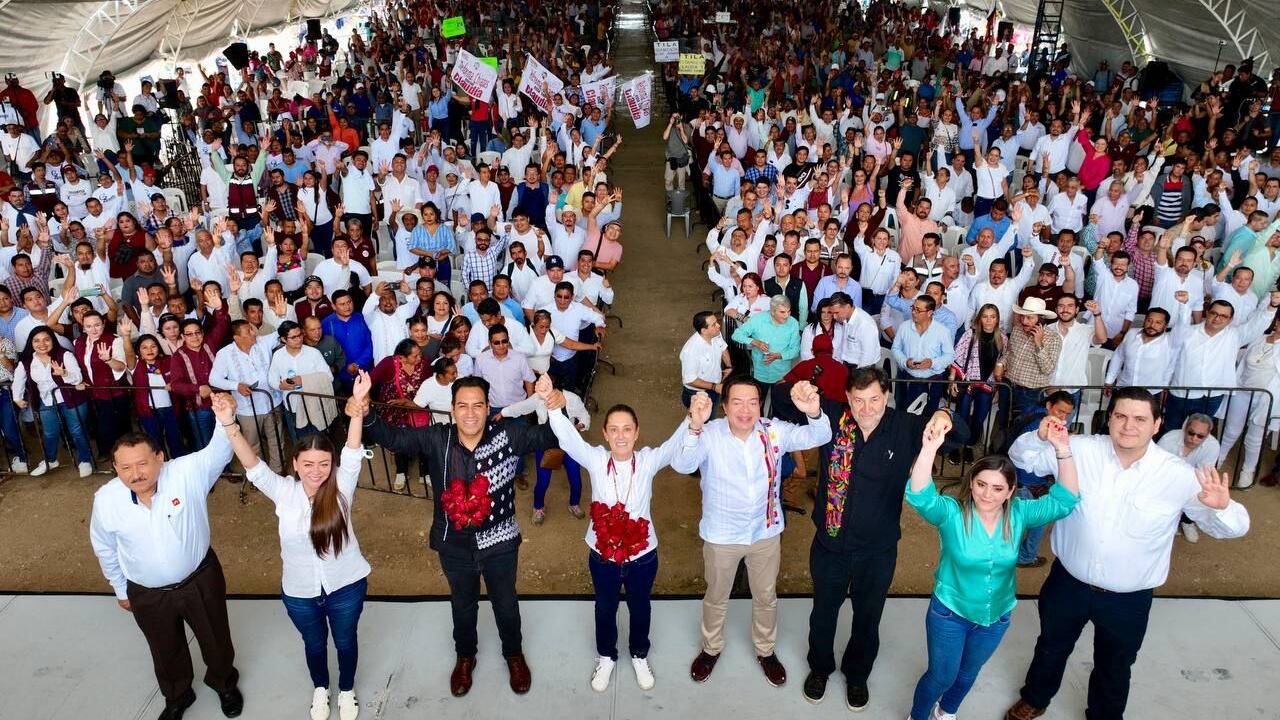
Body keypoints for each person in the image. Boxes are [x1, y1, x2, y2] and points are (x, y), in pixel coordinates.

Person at [1004, 388, 1250, 720]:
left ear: (1157, 424)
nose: (1128, 426)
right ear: (1109, 419)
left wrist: (1221, 508)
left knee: (1115, 664)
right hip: (1068, 583)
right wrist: (1038, 436)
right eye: (1120, 416)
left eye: (1139, 419)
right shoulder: (1080, 450)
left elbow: (1233, 528)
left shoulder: (1178, 475)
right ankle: (1035, 698)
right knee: (1050, 646)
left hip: (1129, 599)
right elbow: (1022, 458)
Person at [356, 375, 560, 697]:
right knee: (463, 605)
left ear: (488, 407)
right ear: (452, 409)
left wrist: (557, 406)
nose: (470, 413)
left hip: (500, 543)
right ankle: (465, 656)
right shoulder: (438, 438)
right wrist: (366, 412)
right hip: (454, 545)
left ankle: (513, 654)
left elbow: (550, 435)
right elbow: (395, 438)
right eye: (462, 406)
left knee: (506, 603)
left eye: (477, 405)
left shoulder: (509, 434)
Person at [800, 366, 963, 710]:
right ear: (847, 398)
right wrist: (802, 393)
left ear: (886, 396)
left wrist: (943, 415)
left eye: (874, 399)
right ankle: (819, 668)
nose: (867, 408)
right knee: (823, 613)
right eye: (858, 400)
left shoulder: (905, 427)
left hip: (877, 550)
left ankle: (857, 675)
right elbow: (790, 405)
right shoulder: (830, 418)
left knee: (868, 617)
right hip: (830, 545)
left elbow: (963, 434)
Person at [906, 413, 1079, 720]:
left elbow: (1065, 500)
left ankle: (947, 711)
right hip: (950, 613)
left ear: (1011, 492)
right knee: (941, 676)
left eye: (998, 489)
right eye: (981, 484)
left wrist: (1062, 448)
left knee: (968, 673)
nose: (987, 494)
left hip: (995, 616)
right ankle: (917, 717)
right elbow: (920, 496)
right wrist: (930, 447)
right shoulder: (952, 513)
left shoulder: (1019, 514)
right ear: (971, 484)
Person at [216, 379, 370, 720]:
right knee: (313, 645)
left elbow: (352, 450)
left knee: (346, 642)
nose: (317, 472)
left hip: (346, 585)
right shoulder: (283, 491)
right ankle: (321, 688)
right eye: (308, 464)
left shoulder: (343, 486)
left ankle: (346, 690)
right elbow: (253, 465)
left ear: (332, 465)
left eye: (324, 464)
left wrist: (358, 406)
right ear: (296, 464)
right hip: (300, 592)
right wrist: (229, 424)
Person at [672, 378, 831, 687]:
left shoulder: (773, 431)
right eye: (737, 402)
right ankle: (711, 648)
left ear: (761, 405)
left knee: (766, 596)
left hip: (765, 533)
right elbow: (682, 464)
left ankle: (765, 649)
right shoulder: (709, 433)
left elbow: (820, 434)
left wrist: (813, 411)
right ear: (724, 406)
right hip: (722, 536)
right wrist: (694, 424)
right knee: (716, 596)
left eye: (752, 402)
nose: (745, 410)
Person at [88, 412, 243, 720]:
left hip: (199, 580)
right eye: (125, 467)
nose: (135, 474)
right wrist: (120, 589)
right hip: (147, 592)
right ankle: (177, 695)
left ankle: (225, 684)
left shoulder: (185, 472)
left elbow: (219, 451)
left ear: (159, 458)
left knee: (216, 638)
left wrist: (225, 418)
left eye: (142, 463)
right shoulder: (106, 500)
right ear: (115, 468)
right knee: (164, 648)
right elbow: (104, 547)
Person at [536, 373, 686, 692]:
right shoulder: (595, 459)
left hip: (643, 556)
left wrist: (693, 419)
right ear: (604, 434)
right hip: (602, 554)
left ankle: (639, 654)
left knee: (640, 606)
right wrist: (553, 406)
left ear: (637, 433)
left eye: (627, 429)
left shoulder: (648, 460)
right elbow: (569, 440)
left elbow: (673, 446)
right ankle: (606, 655)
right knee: (605, 607)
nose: (621, 436)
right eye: (614, 429)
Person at [13, 326, 95, 477]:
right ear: (31, 343)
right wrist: (17, 397)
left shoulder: (64, 355)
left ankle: (85, 460)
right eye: (36, 341)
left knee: (77, 430)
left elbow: (77, 378)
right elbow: (18, 379)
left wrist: (64, 373)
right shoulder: (27, 361)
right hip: (47, 401)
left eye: (46, 339)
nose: (42, 344)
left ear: (53, 340)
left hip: (72, 399)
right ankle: (50, 460)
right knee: (50, 433)